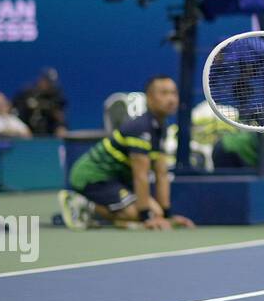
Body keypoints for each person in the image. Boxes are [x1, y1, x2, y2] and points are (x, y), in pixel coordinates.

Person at [59, 75, 194, 230]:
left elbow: (161, 174)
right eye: (164, 93)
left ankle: (115, 213)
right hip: (93, 176)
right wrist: (146, 218)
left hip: (116, 179)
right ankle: (81, 204)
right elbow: (140, 176)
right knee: (134, 214)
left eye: (174, 93)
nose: (171, 99)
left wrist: (166, 216)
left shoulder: (160, 127)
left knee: (156, 212)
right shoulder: (140, 127)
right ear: (149, 98)